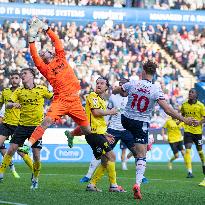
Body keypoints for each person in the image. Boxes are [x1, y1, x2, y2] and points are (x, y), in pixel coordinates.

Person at [112, 60, 196, 200]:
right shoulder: (156, 89)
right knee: (142, 154)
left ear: (144, 71)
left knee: (136, 144)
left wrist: (119, 89)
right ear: (154, 73)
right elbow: (168, 110)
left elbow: (117, 91)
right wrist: (185, 120)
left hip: (125, 120)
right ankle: (137, 183)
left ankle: (144, 143)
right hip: (141, 123)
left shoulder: (133, 83)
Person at [20, 17, 91, 152]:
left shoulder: (60, 57)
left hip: (75, 100)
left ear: (51, 52)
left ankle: (71, 134)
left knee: (88, 130)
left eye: (44, 51)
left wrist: (45, 27)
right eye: (41, 53)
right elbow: (34, 55)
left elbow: (56, 40)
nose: (41, 53)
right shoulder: (44, 68)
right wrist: (31, 40)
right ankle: (27, 145)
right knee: (46, 121)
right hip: (61, 100)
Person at [0, 68, 53, 189]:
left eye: (25, 73)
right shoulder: (19, 91)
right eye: (21, 74)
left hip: (37, 127)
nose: (22, 75)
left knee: (36, 155)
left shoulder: (41, 89)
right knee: (12, 148)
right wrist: (13, 104)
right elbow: (7, 104)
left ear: (32, 76)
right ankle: (1, 172)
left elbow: (54, 98)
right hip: (22, 125)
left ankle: (35, 178)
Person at [82, 76, 125, 192]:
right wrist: (110, 112)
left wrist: (105, 134)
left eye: (102, 83)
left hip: (98, 133)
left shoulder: (102, 101)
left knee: (105, 160)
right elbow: (96, 113)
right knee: (112, 156)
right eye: (97, 83)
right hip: (93, 134)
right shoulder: (93, 96)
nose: (99, 85)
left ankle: (92, 184)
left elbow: (98, 121)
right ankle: (113, 186)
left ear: (106, 87)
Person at [180, 88, 205, 186]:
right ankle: (190, 172)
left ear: (196, 95)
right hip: (188, 131)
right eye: (189, 92)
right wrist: (181, 120)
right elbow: (182, 114)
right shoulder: (184, 105)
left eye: (192, 92)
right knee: (188, 150)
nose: (190, 93)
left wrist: (199, 122)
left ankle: (203, 164)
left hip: (198, 132)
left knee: (200, 153)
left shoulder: (201, 106)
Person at [0, 73, 22, 179]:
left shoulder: (23, 92)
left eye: (16, 78)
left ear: (20, 80)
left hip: (18, 125)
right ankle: (9, 168)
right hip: (5, 123)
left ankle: (34, 173)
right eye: (12, 78)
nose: (14, 80)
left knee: (19, 151)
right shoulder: (5, 92)